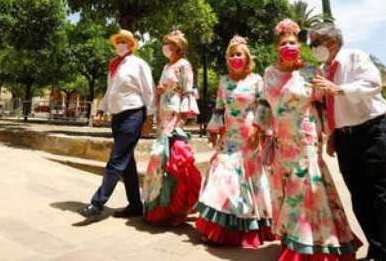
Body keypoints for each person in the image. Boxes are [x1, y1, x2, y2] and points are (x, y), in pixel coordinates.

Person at [256, 19, 361, 260]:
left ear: (300, 46)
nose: (289, 47)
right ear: (277, 48)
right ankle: (293, 239)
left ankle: (314, 243)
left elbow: (326, 105)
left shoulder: (312, 72)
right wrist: (260, 132)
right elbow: (264, 104)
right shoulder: (269, 73)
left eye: (293, 43)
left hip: (306, 139)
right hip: (280, 141)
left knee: (306, 189)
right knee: (284, 190)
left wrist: (331, 134)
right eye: (284, 44)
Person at [309, 24, 386, 261]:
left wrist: (339, 89)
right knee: (360, 197)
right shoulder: (324, 69)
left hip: (370, 131)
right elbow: (332, 107)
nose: (312, 49)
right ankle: (377, 250)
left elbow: (373, 84)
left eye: (315, 43)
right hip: (345, 137)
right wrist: (333, 134)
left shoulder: (355, 57)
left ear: (331, 42)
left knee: (383, 194)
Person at [195, 35, 273, 247]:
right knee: (223, 175)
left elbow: (264, 107)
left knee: (246, 181)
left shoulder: (256, 80)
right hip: (228, 137)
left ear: (246, 58)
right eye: (231, 55)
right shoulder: (224, 81)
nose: (234, 58)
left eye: (238, 54)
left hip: (249, 136)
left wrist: (260, 131)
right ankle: (219, 229)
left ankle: (249, 226)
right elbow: (219, 107)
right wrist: (214, 130)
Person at [78, 29, 155, 219]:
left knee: (117, 159)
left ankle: (97, 203)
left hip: (134, 114)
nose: (120, 44)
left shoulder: (138, 64)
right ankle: (136, 205)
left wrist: (150, 117)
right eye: (118, 41)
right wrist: (101, 109)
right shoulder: (114, 67)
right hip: (117, 116)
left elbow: (149, 91)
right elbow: (109, 91)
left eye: (124, 41)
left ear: (131, 45)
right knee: (127, 163)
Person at [142, 29, 202, 225]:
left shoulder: (184, 65)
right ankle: (160, 206)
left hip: (174, 114)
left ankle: (175, 207)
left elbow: (188, 91)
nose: (165, 47)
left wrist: (182, 117)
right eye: (165, 43)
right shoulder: (167, 65)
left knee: (170, 158)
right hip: (162, 113)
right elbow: (161, 87)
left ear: (177, 47)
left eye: (168, 43)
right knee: (160, 159)